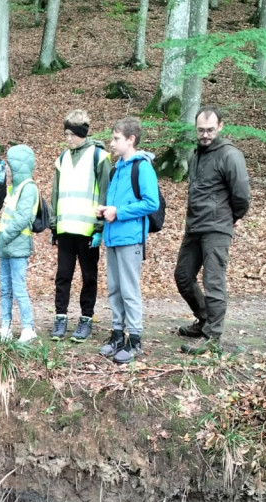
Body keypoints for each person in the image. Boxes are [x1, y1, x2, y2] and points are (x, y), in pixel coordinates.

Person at [175, 106, 251, 354]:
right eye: (200, 130)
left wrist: (229, 219)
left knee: (213, 282)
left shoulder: (230, 155)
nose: (205, 134)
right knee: (183, 276)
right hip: (195, 227)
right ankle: (204, 319)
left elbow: (242, 196)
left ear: (220, 127)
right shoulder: (197, 154)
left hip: (217, 228)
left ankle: (212, 337)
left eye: (209, 130)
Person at [97, 117, 159, 365]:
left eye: (116, 139)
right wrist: (105, 212)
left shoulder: (141, 167)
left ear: (131, 140)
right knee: (115, 288)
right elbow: (117, 204)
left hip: (130, 238)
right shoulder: (117, 169)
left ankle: (134, 339)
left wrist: (118, 212)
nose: (111, 143)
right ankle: (116, 335)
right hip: (113, 237)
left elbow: (150, 203)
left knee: (129, 290)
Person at [49, 110, 111, 343]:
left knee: (89, 276)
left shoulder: (99, 157)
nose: (68, 138)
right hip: (65, 229)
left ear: (82, 134)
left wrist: (99, 228)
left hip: (87, 231)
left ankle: (86, 319)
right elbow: (55, 193)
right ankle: (60, 318)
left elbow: (105, 193)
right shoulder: (63, 158)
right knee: (62, 276)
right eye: (66, 134)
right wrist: (53, 226)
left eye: (72, 134)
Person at [0, 145, 39, 344]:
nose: (9, 169)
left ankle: (28, 327)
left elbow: (22, 218)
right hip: (6, 247)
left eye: (11, 165)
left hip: (17, 246)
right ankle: (6, 326)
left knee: (18, 288)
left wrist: (5, 237)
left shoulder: (28, 188)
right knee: (5, 288)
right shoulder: (14, 188)